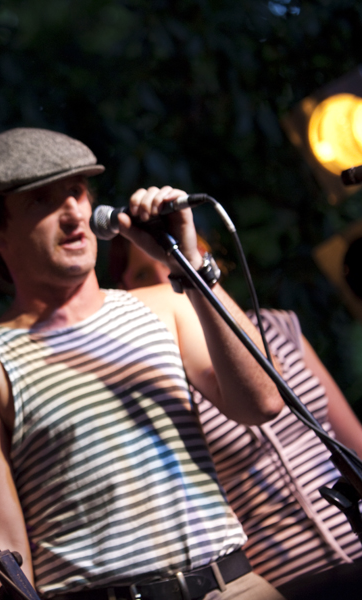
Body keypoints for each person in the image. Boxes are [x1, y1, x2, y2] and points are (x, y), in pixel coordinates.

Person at [0, 127, 286, 600]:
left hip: (233, 585)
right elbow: (3, 558)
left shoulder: (166, 304)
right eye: (42, 200)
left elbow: (263, 402)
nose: (75, 213)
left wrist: (190, 266)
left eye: (78, 192)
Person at [112, 236, 362, 594]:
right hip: (286, 581)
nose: (165, 279)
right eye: (143, 274)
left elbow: (352, 442)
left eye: (172, 262)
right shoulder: (164, 380)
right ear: (127, 293)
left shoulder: (275, 327)